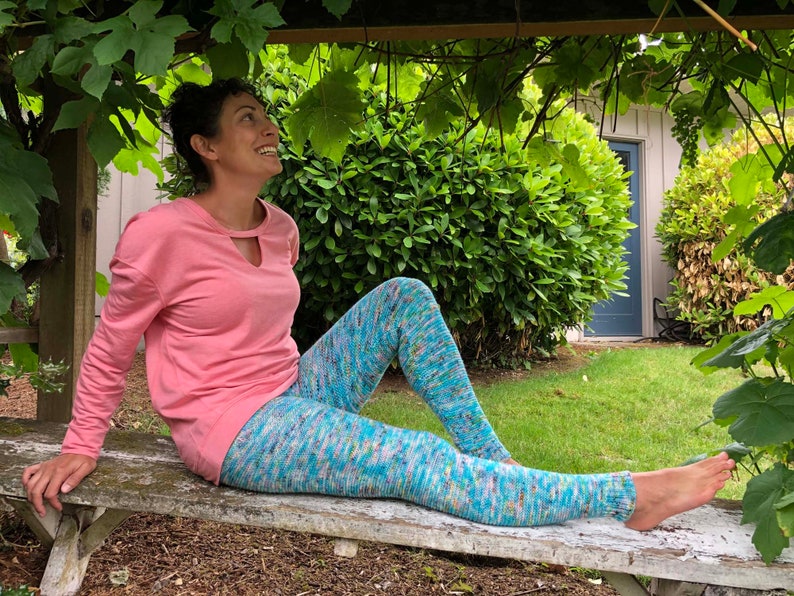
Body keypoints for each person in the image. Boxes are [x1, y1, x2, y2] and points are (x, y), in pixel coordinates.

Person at [22, 78, 735, 531]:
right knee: (416, 459)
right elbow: (113, 345)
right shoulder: (161, 235)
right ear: (207, 145)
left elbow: (267, 332)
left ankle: (499, 467)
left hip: (294, 393)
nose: (268, 128)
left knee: (404, 297)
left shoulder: (280, 229)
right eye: (248, 119)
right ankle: (627, 495)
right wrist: (82, 445)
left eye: (266, 116)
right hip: (232, 431)